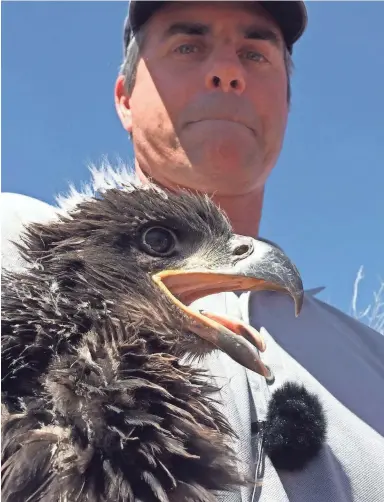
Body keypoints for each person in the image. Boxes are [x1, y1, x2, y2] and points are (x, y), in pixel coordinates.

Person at [2, 2, 384, 501]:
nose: (226, 72)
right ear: (124, 98)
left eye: (254, 53)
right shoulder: (9, 234)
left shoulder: (374, 364)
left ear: (287, 105)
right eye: (188, 46)